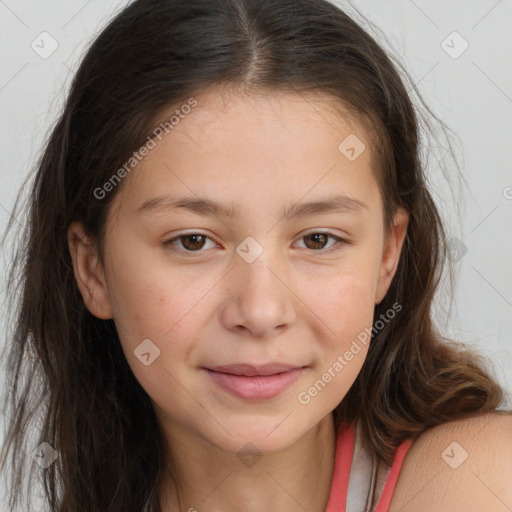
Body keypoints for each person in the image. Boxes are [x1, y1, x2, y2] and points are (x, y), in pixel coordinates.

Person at [1, 0, 511, 511]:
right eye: (193, 241)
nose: (262, 311)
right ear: (93, 270)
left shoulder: (478, 478)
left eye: (318, 240)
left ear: (387, 255)